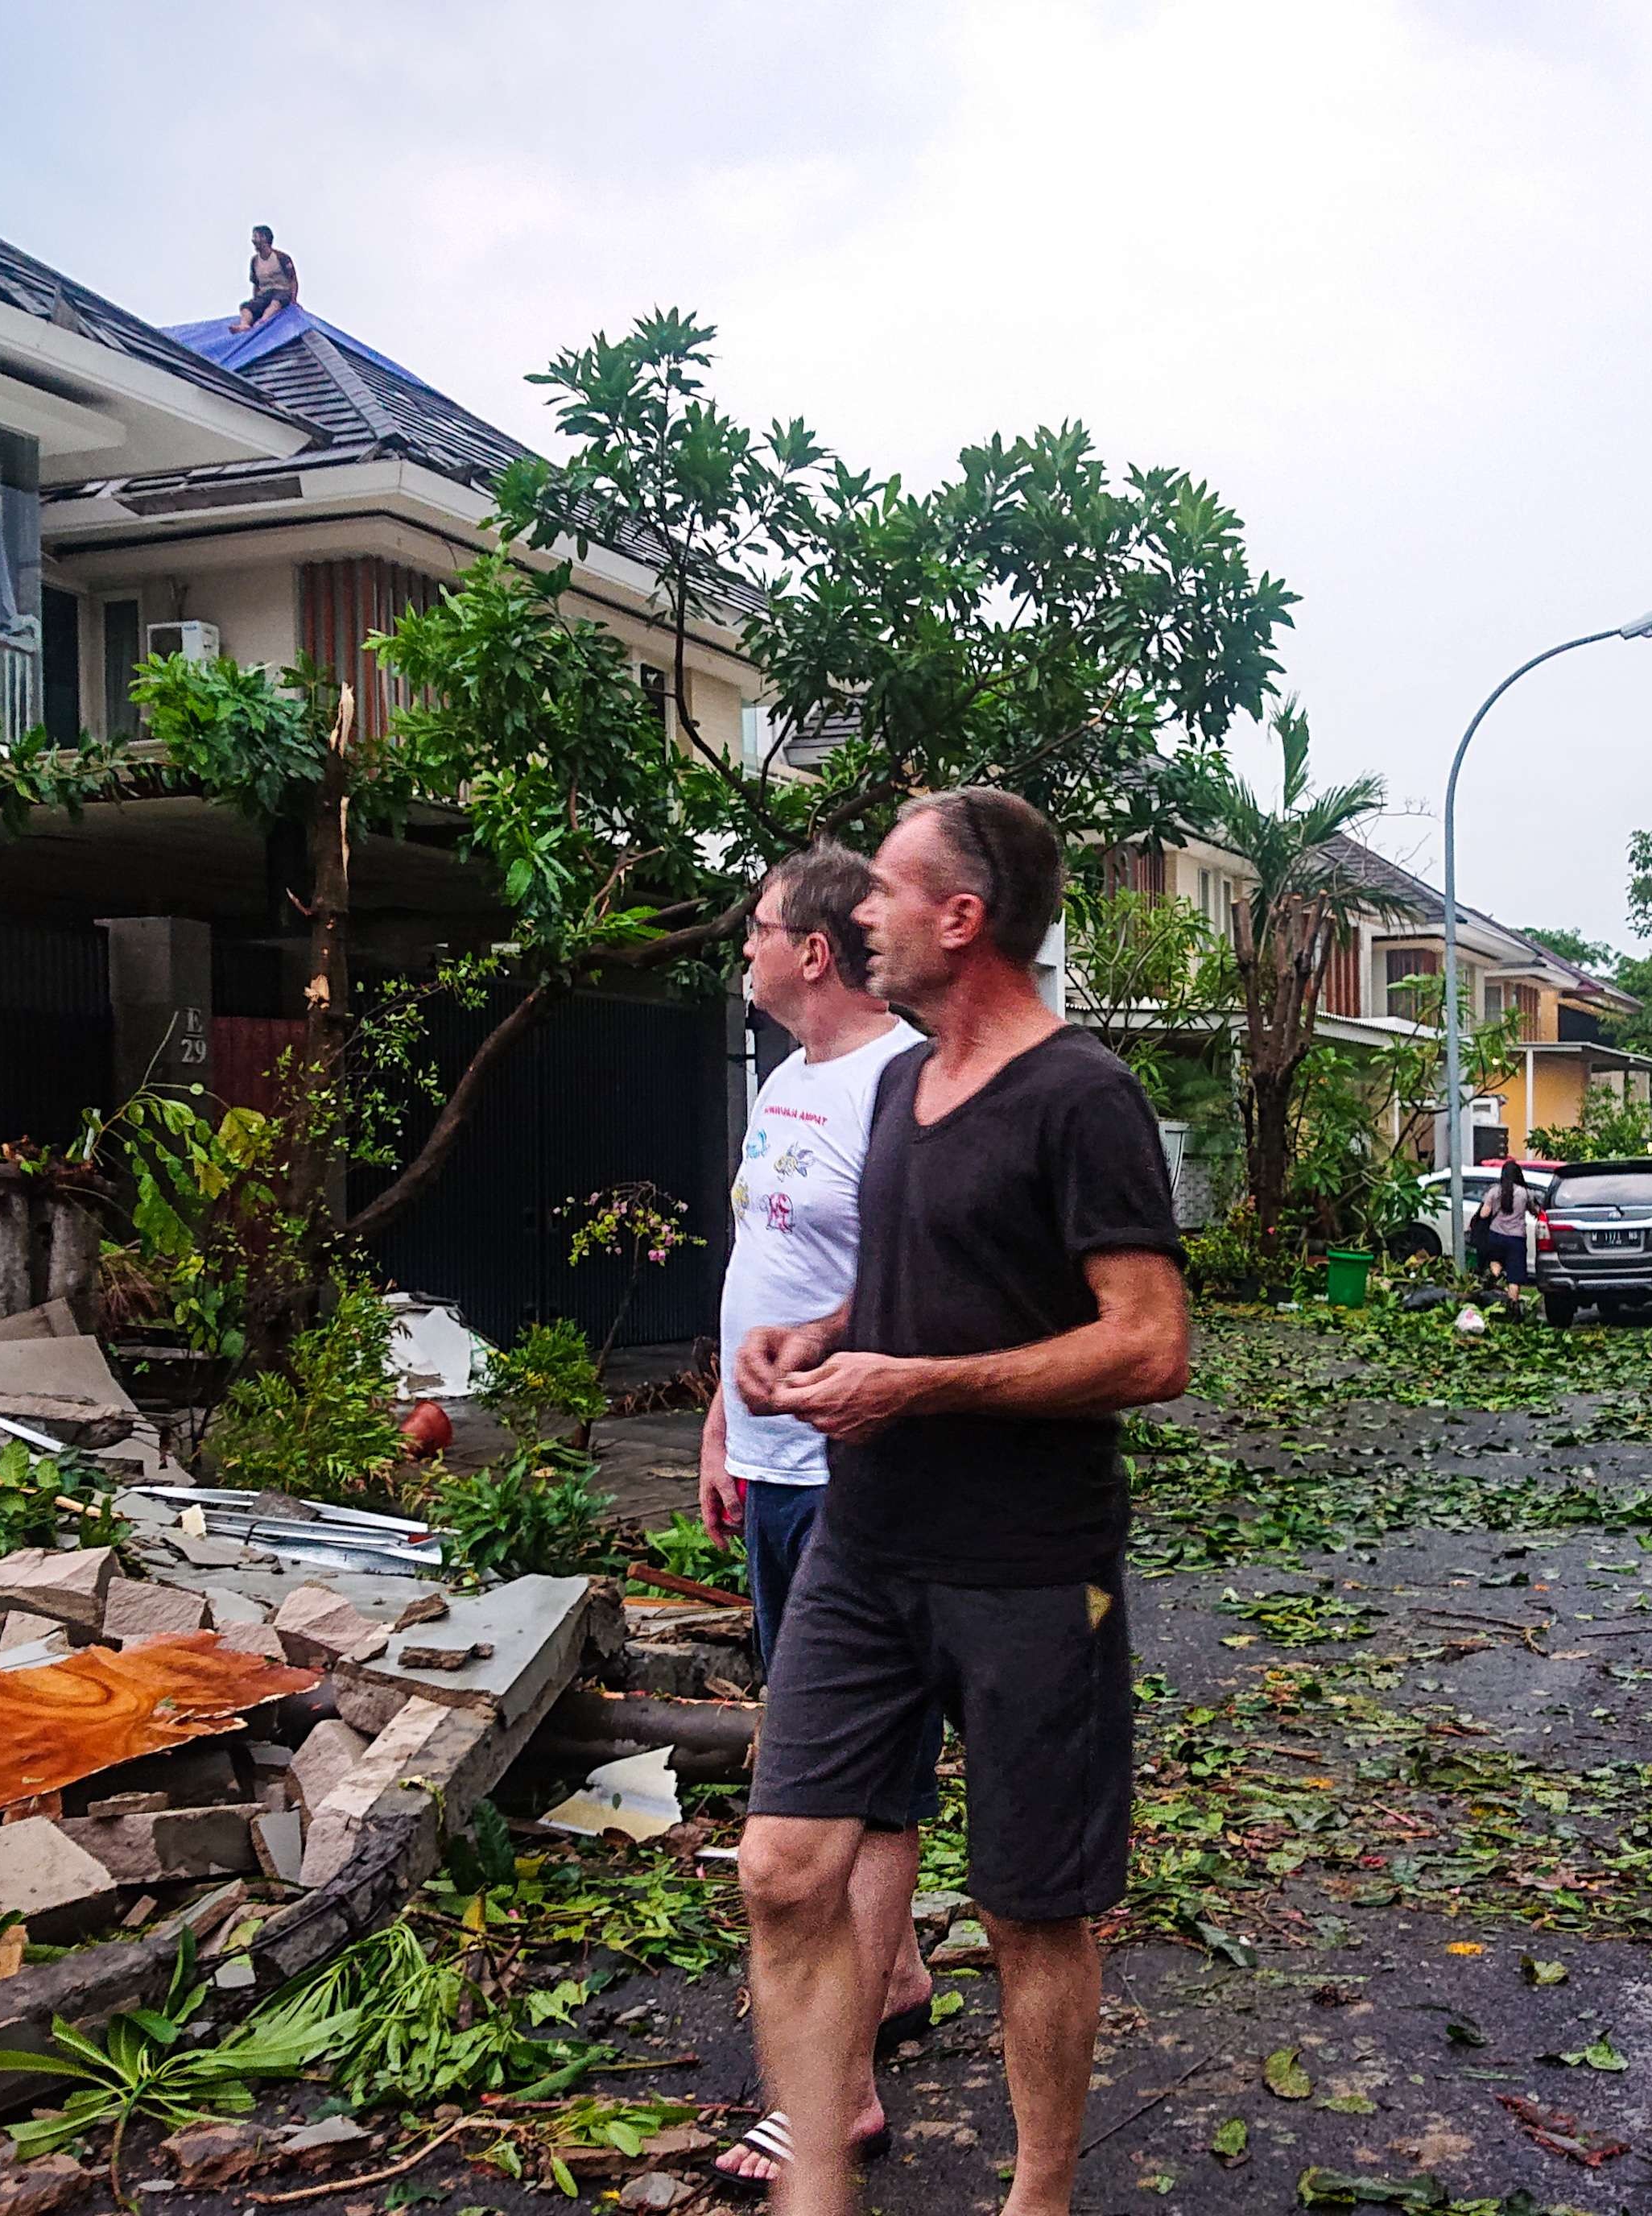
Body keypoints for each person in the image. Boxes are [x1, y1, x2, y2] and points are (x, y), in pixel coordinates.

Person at [731, 789, 1190, 2216]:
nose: (853, 911)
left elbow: (1148, 1342)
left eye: (879, 888)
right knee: (781, 1867)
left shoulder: (1080, 1097)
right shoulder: (895, 1085)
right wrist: (824, 1336)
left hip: (1027, 1567)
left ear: (960, 915)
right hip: (866, 1549)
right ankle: (819, 2186)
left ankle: (1038, 2194)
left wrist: (915, 1382)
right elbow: (926, 1278)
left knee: (1028, 1910)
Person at [698, 843, 935, 2194]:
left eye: (755, 926)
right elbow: (763, 1258)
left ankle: (836, 2087)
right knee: (825, 1742)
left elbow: (923, 1280)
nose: (741, 945)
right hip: (777, 1469)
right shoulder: (784, 1079)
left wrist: (824, 1371)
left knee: (852, 1775)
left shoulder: (899, 1085)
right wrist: (726, 1425)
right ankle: (891, 1975)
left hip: (866, 1476)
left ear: (814, 950)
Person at [1470, 1158, 1538, 1284]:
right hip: (1516, 1238)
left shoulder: (1494, 1191)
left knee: (1495, 1262)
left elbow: (1484, 1214)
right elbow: (1535, 1211)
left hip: (1495, 1236)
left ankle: (1496, 1283)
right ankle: (1513, 1301)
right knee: (1515, 1278)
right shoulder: (1525, 1193)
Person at [231, 226, 299, 331]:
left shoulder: (281, 257)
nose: (253, 240)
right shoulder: (254, 261)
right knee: (246, 307)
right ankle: (244, 325)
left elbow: (293, 280)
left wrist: (293, 300)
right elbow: (256, 284)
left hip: (282, 292)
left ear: (264, 238)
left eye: (256, 236)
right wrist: (256, 300)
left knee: (276, 302)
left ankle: (263, 321)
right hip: (265, 293)